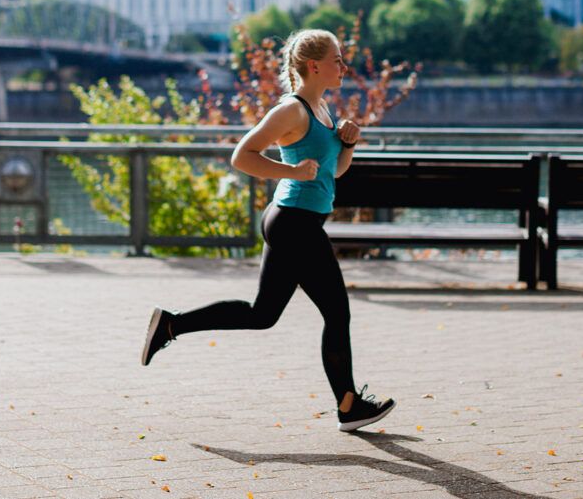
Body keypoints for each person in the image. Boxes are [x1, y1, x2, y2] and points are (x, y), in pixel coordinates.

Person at [139, 29, 395, 432]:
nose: (343, 66)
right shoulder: (291, 111)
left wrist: (348, 144)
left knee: (262, 314)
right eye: (337, 60)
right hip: (294, 223)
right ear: (314, 66)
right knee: (336, 311)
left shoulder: (323, 109)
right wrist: (289, 170)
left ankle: (171, 324)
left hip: (295, 219)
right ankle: (348, 406)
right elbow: (242, 156)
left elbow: (334, 173)